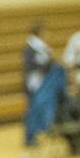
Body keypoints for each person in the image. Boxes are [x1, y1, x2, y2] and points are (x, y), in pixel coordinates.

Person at [21, 20, 59, 150]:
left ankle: (36, 134)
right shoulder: (30, 48)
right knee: (32, 111)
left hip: (43, 83)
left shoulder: (43, 48)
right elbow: (31, 66)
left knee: (37, 111)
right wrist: (48, 61)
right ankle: (29, 137)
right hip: (34, 84)